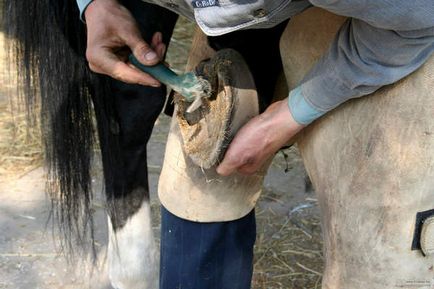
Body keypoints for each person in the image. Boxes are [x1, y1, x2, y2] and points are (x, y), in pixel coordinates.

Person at [77, 0, 434, 288]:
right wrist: (93, 5)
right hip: (248, 14)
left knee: (385, 245)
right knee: (200, 187)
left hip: (398, 28)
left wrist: (289, 116)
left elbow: (421, 18)